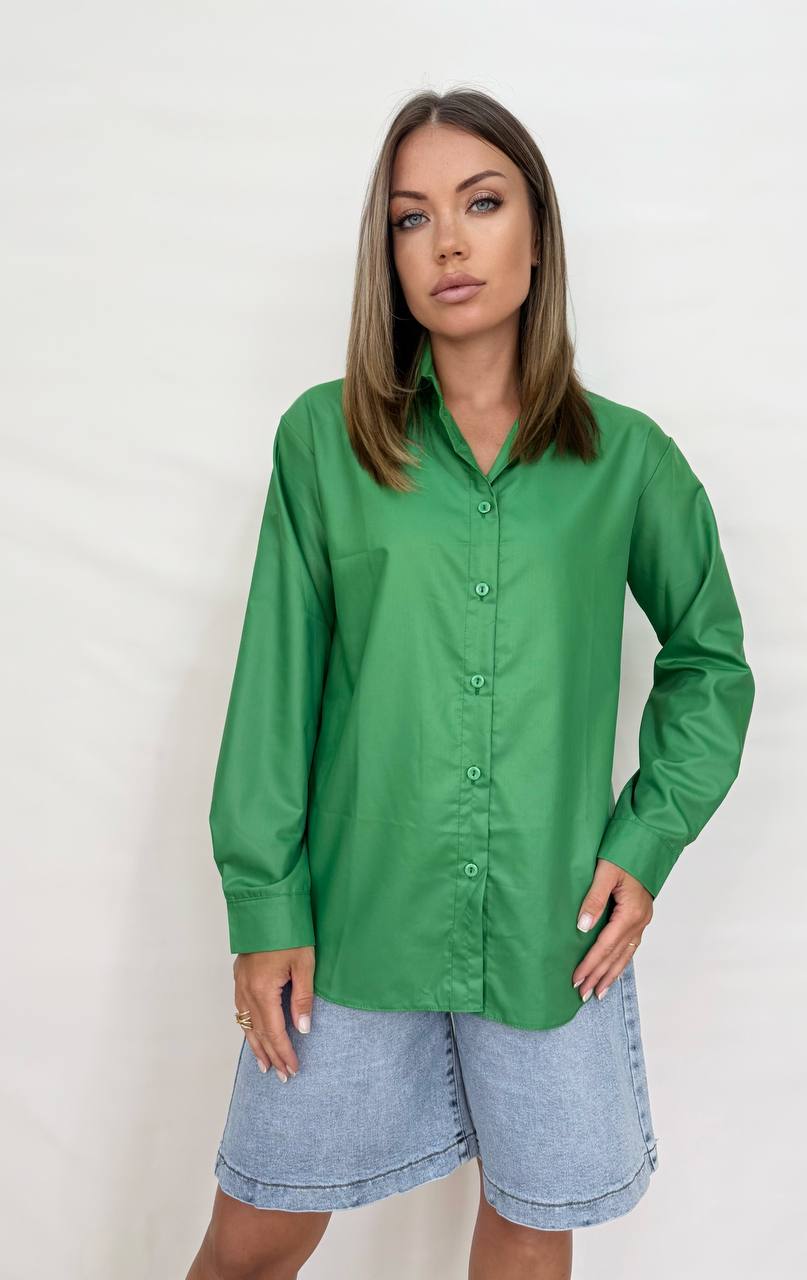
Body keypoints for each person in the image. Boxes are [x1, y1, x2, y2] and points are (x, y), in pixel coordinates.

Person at [186, 87, 755, 1280]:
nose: (446, 241)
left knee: (529, 1224)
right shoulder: (323, 442)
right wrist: (263, 906)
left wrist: (645, 840)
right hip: (353, 926)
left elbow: (709, 658)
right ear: (387, 256)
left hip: (549, 930)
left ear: (535, 232)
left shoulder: (625, 460)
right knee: (251, 1238)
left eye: (480, 204)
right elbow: (274, 686)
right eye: (411, 218)